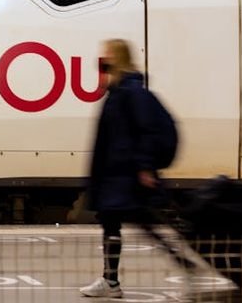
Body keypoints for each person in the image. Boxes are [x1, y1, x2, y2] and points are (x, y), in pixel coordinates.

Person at [80, 39, 191, 298]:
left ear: (117, 57)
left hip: (125, 176)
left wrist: (144, 167)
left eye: (107, 53)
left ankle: (185, 265)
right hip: (115, 175)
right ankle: (111, 281)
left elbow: (147, 131)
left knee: (141, 224)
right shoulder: (119, 90)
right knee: (123, 223)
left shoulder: (131, 92)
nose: (102, 57)